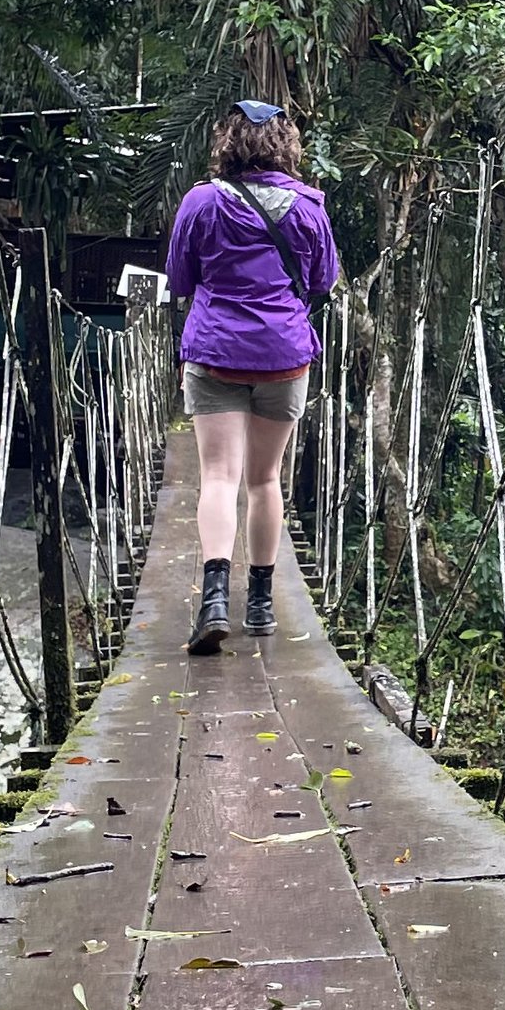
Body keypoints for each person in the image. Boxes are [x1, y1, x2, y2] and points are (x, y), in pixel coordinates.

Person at [163, 100, 342, 653]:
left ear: (227, 144)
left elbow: (179, 276)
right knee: (265, 480)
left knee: (218, 476)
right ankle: (260, 604)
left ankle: (215, 598)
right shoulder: (310, 207)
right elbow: (322, 281)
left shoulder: (200, 202)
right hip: (283, 356)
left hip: (215, 352)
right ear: (286, 146)